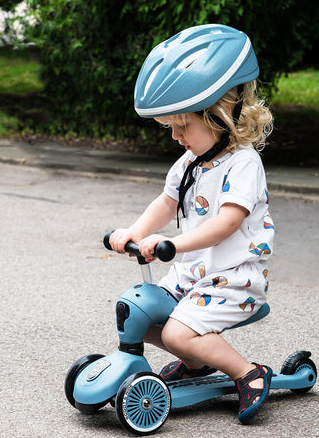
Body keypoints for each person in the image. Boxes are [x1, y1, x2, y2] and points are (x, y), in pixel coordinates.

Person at [109, 24, 275, 425]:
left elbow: (227, 223)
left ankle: (248, 373)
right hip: (194, 274)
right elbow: (166, 202)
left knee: (175, 333)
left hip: (233, 277)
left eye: (182, 126)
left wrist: (173, 244)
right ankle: (197, 363)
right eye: (171, 127)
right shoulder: (190, 163)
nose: (175, 136)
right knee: (141, 316)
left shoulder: (244, 164)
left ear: (221, 115)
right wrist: (136, 231)